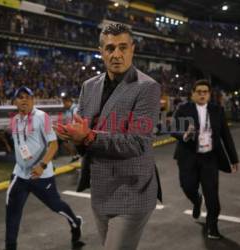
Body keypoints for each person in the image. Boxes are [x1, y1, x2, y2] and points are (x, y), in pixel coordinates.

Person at [55, 23, 161, 250]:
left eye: (123, 47)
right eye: (110, 48)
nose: (117, 54)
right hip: (100, 190)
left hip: (133, 190)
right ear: (101, 51)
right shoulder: (89, 86)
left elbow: (137, 142)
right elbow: (82, 140)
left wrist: (89, 137)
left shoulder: (148, 87)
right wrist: (72, 138)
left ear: (132, 49)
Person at [5, 86, 84, 250]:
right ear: (15, 102)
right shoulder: (14, 121)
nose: (24, 99)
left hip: (41, 175)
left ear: (33, 100)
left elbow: (53, 145)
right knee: (12, 214)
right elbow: (20, 146)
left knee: (56, 206)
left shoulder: (43, 117)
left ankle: (75, 222)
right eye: (20, 97)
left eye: (28, 96)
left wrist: (41, 165)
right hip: (20, 175)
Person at [171, 79, 239, 240]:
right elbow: (173, 129)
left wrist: (233, 159)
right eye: (199, 92)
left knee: (212, 194)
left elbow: (226, 136)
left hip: (210, 158)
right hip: (188, 156)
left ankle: (212, 226)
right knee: (187, 186)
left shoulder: (218, 110)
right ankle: (196, 199)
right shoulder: (183, 109)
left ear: (209, 94)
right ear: (193, 93)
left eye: (205, 92)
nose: (202, 94)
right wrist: (185, 135)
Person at [59, 95, 80, 163]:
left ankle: (76, 156)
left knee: (65, 142)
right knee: (65, 142)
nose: (63, 105)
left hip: (75, 130)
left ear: (68, 102)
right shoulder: (68, 110)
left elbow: (75, 120)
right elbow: (66, 120)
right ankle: (75, 156)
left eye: (64, 103)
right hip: (70, 129)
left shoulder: (75, 109)